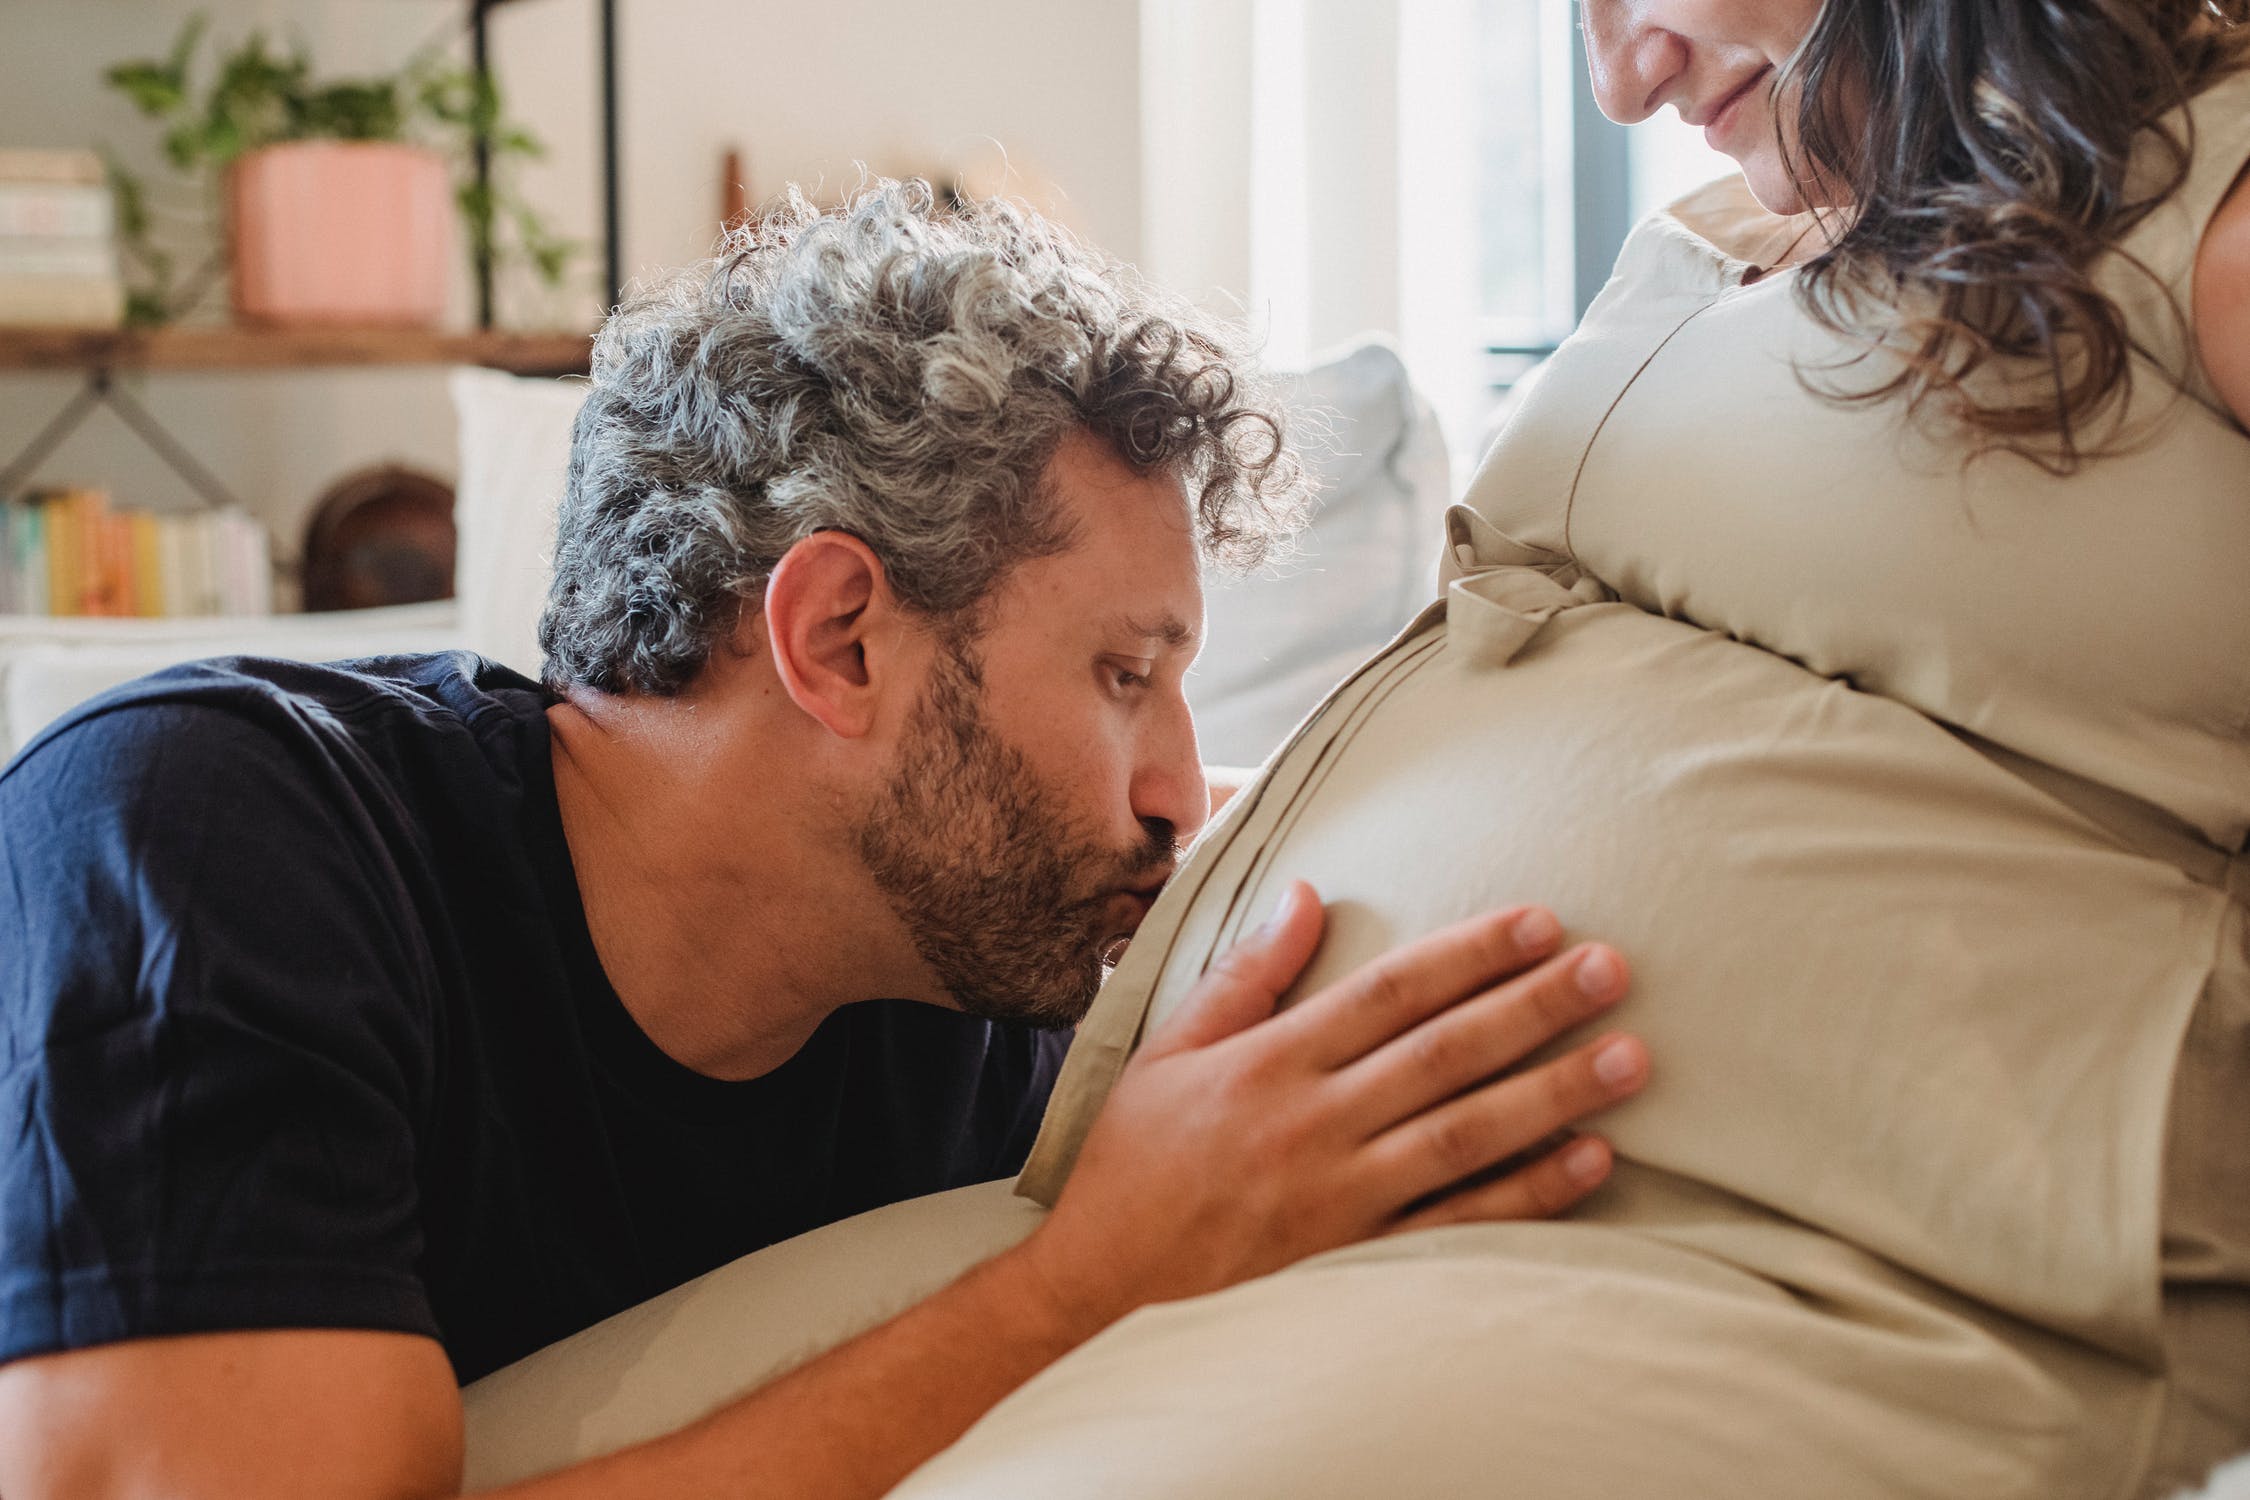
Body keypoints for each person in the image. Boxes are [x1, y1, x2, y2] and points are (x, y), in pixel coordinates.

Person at [0, 185, 1654, 1499]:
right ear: (841, 637)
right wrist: (1085, 1282)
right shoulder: (215, 835)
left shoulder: (975, 1015)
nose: (1179, 790)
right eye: (1122, 675)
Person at [813, 4, 2245, 1499]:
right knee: (553, 1416)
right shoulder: (1777, 226)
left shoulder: (2203, 200)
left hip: (1808, 1276)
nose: (1621, 78)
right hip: (1200, 1197)